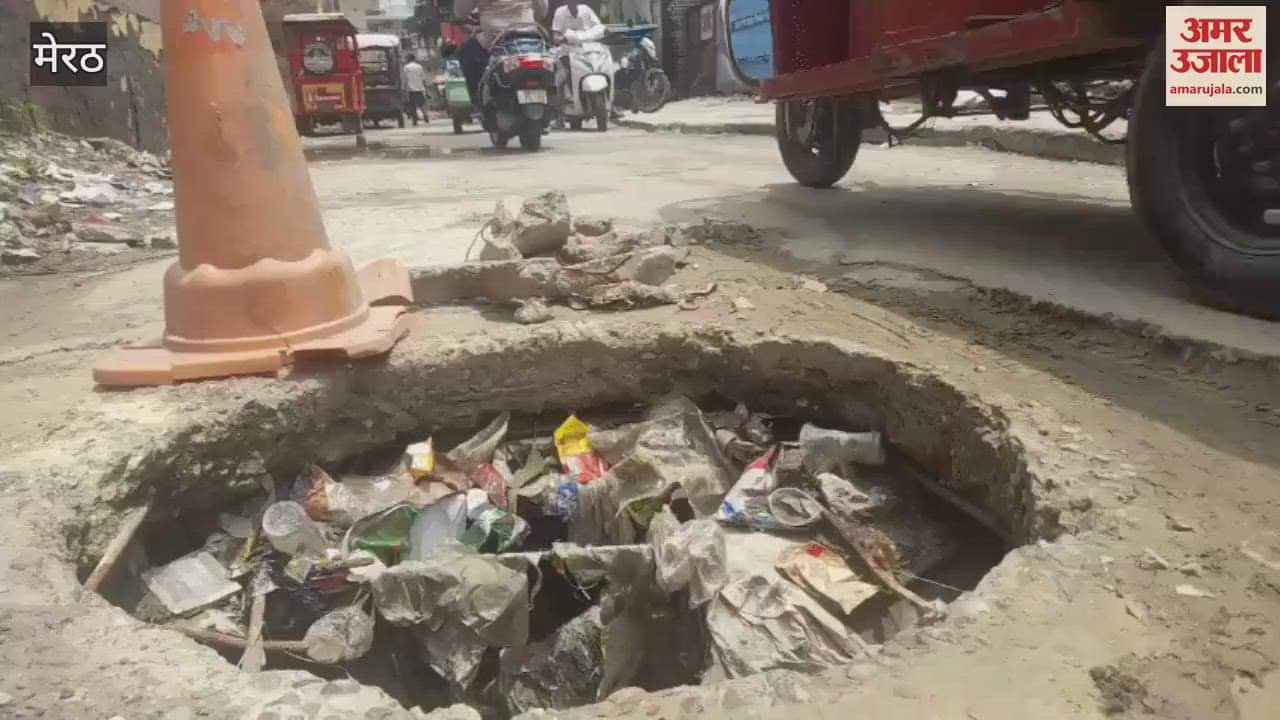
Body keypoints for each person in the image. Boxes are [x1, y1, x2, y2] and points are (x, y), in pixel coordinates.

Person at [454, 0, 550, 108]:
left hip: (494, 36)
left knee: (467, 52)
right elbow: (543, 10)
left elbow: (460, 11)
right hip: (528, 32)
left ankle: (479, 102)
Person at [402, 54, 428, 126]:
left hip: (411, 89)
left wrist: (404, 88)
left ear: (409, 59)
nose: (405, 60)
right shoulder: (419, 66)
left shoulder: (406, 67)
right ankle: (425, 115)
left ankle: (415, 120)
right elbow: (423, 78)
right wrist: (425, 88)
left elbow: (405, 79)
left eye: (406, 58)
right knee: (422, 104)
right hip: (420, 88)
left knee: (412, 105)